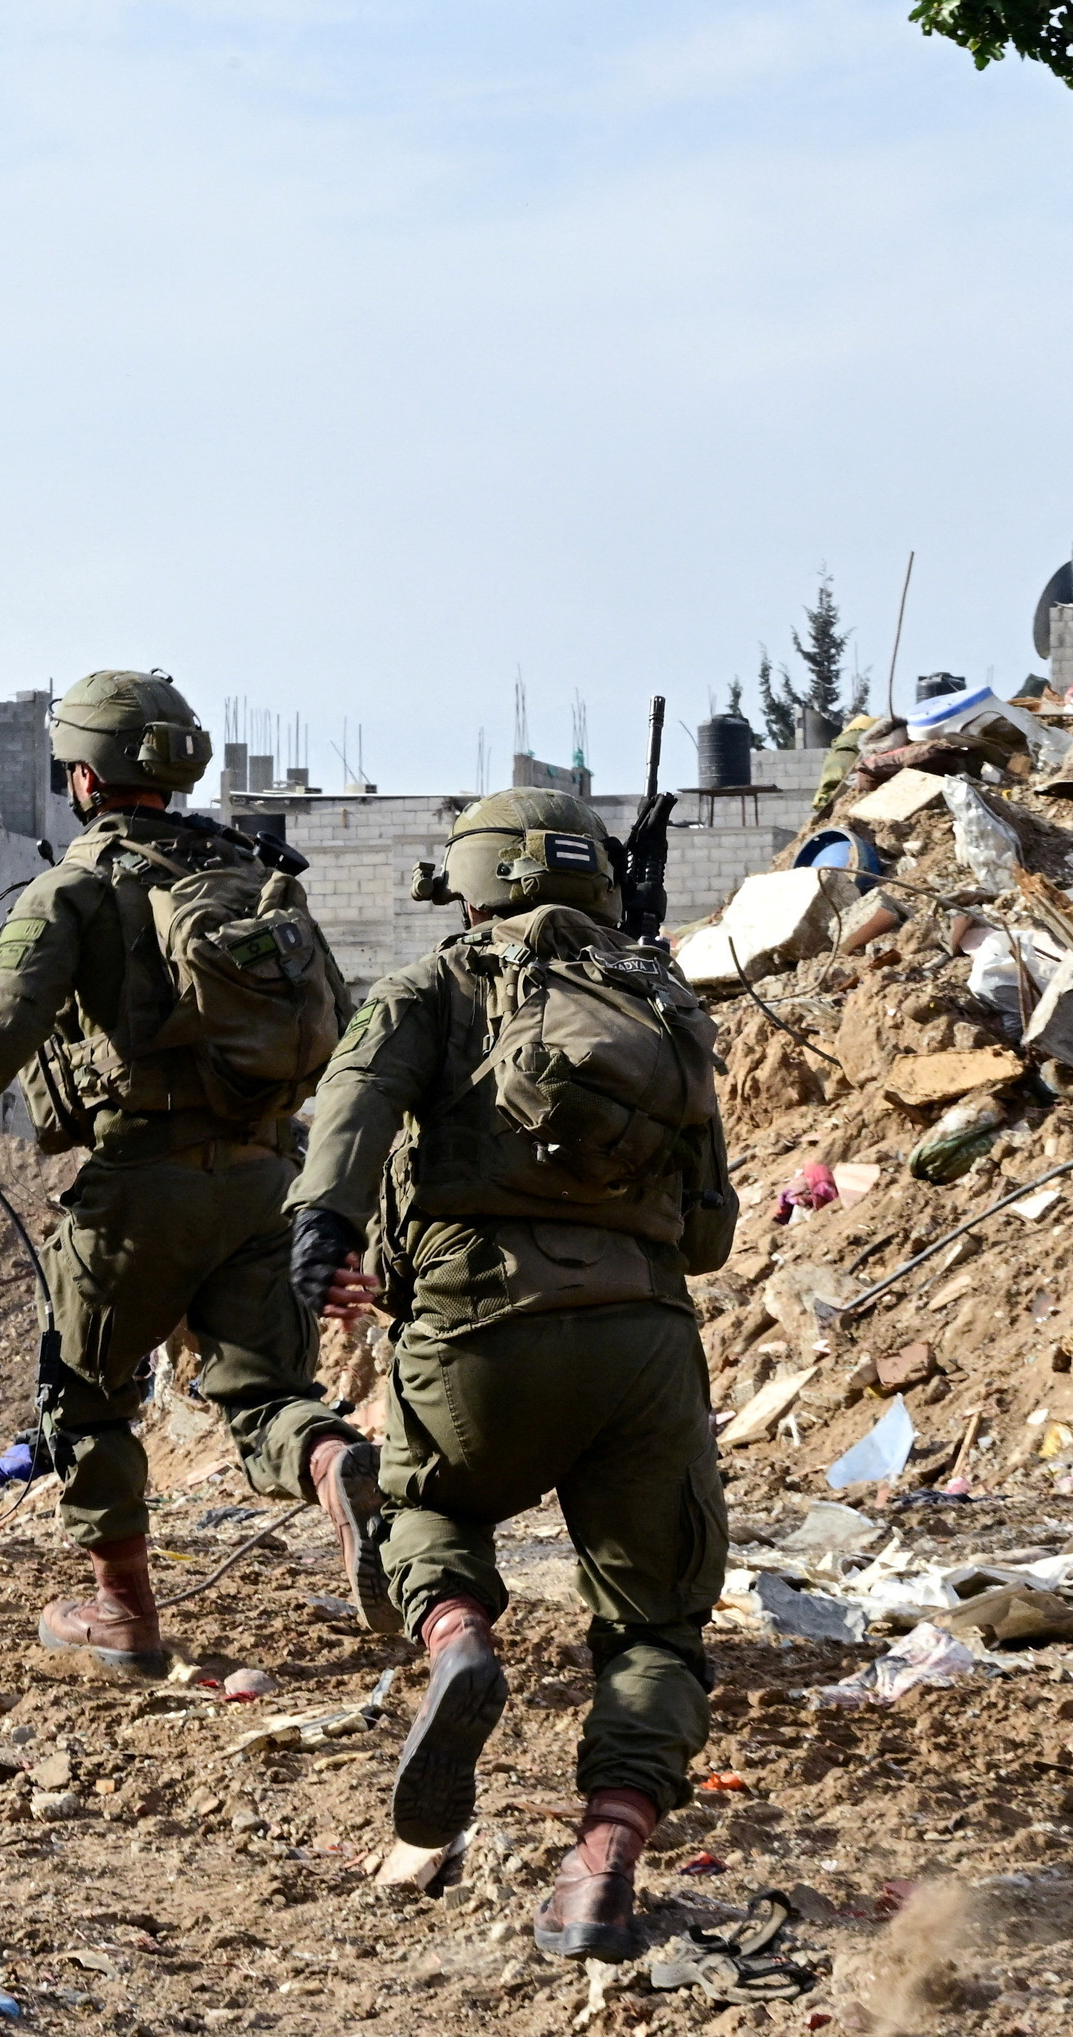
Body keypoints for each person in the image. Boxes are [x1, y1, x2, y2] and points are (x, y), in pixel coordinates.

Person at [285, 788, 736, 1962]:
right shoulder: (663, 1001)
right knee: (654, 1626)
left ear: (471, 884)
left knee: (429, 1506)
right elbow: (710, 1237)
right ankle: (600, 1868)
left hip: (479, 1336)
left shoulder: (436, 986)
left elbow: (355, 1097)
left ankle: (457, 1638)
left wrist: (327, 1228)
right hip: (644, 1344)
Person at [0, 669, 395, 1678]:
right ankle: (337, 1465)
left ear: (83, 774)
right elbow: (345, 1028)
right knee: (264, 1393)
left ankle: (124, 1614)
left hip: (141, 1188)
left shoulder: (74, 889)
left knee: (84, 1393)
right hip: (266, 1177)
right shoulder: (255, 879)